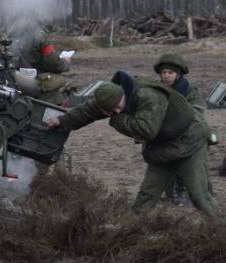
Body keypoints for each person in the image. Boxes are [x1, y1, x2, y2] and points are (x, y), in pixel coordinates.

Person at [45, 75, 217, 217]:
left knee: (199, 195)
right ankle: (131, 230)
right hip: (163, 147)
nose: (116, 112)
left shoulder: (148, 96)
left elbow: (146, 130)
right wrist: (61, 121)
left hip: (189, 139)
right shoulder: (110, 97)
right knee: (146, 195)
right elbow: (87, 111)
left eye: (117, 108)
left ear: (123, 97)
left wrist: (116, 120)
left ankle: (218, 230)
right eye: (109, 112)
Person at [151, 53, 208, 202]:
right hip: (162, 137)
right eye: (164, 72)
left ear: (178, 75)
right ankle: (171, 192)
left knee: (191, 169)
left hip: (187, 137)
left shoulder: (190, 92)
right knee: (162, 168)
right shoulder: (155, 91)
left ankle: (195, 193)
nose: (166, 76)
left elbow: (197, 114)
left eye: (170, 72)